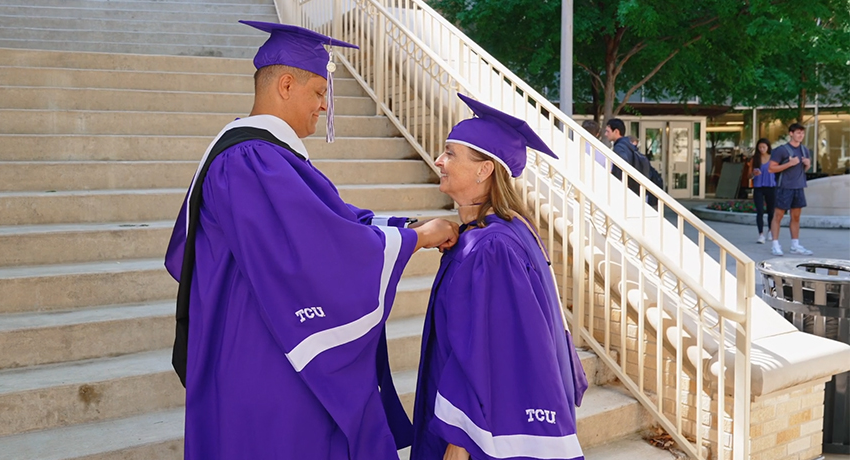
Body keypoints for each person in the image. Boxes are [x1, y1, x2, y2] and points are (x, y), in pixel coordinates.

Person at [164, 20, 460, 459]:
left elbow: (332, 222)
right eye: (320, 93)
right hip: (264, 357)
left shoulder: (259, 157)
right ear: (286, 84)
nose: (324, 107)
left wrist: (407, 226)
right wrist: (415, 240)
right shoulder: (251, 160)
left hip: (258, 345)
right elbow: (319, 251)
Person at [411, 93, 587, 460]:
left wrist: (459, 440)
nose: (438, 160)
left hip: (475, 433)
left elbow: (487, 349)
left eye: (450, 153)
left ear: (484, 169)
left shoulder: (491, 247)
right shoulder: (508, 232)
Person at [768, 123, 813, 256]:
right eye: (798, 133)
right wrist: (789, 163)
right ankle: (775, 245)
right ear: (791, 134)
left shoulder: (805, 150)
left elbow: (802, 169)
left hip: (799, 187)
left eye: (802, 133)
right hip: (784, 187)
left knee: (796, 217)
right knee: (778, 216)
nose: (801, 135)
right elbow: (771, 168)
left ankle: (795, 245)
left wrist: (808, 165)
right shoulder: (781, 150)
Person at [604, 118, 647, 196]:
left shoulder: (619, 147)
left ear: (616, 131)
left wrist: (618, 179)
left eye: (608, 131)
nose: (605, 134)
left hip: (626, 188)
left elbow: (623, 163)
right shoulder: (627, 144)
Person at [750, 139, 777, 244]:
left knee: (771, 211)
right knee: (760, 211)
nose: (762, 149)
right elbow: (748, 175)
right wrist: (753, 173)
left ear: (768, 147)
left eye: (764, 147)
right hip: (758, 187)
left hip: (771, 186)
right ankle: (761, 234)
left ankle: (770, 230)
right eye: (760, 147)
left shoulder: (773, 158)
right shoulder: (755, 159)